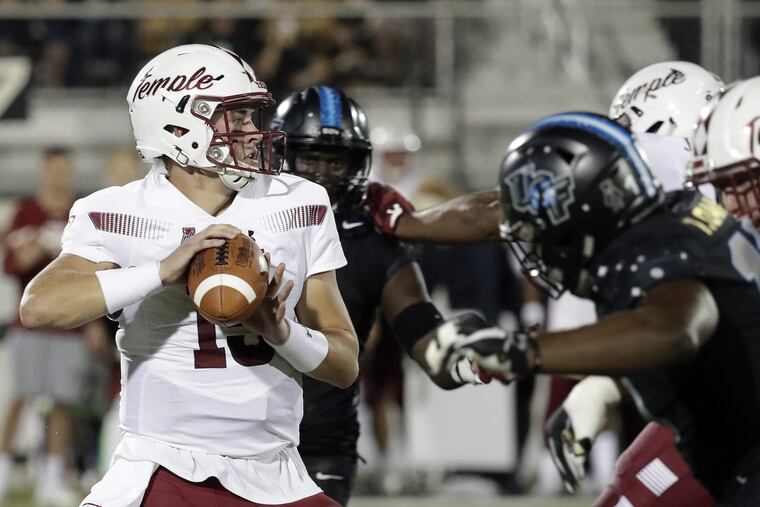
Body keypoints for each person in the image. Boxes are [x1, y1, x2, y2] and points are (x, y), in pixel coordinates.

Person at [363, 60, 725, 506]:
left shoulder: (685, 200)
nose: (621, 152)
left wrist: (523, 353)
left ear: (668, 129)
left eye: (630, 134)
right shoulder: (706, 197)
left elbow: (675, 328)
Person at [20, 44, 359, 507]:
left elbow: (344, 364)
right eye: (236, 118)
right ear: (179, 126)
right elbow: (40, 307)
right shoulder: (117, 211)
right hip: (163, 467)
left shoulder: (300, 202)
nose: (254, 131)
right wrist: (160, 272)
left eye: (253, 116)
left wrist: (281, 331)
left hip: (278, 473)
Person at [428, 112, 760, 505]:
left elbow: (676, 329)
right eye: (719, 184)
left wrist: (522, 351)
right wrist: (602, 386)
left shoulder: (668, 241)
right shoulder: (685, 231)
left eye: (739, 183)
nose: (732, 204)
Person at [270, 85, 500, 506]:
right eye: (311, 158)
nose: (323, 173)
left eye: (335, 160)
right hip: (234, 434)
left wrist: (463, 358)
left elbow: (423, 333)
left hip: (322, 442)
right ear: (282, 157)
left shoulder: (375, 238)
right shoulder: (239, 220)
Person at [0, 147, 109, 506]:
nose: (58, 176)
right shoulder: (26, 212)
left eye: (64, 169)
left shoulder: (81, 213)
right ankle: (2, 473)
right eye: (53, 170)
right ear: (42, 173)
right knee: (21, 397)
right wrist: (33, 253)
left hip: (70, 322)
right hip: (30, 321)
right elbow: (12, 265)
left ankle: (50, 478)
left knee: (62, 402)